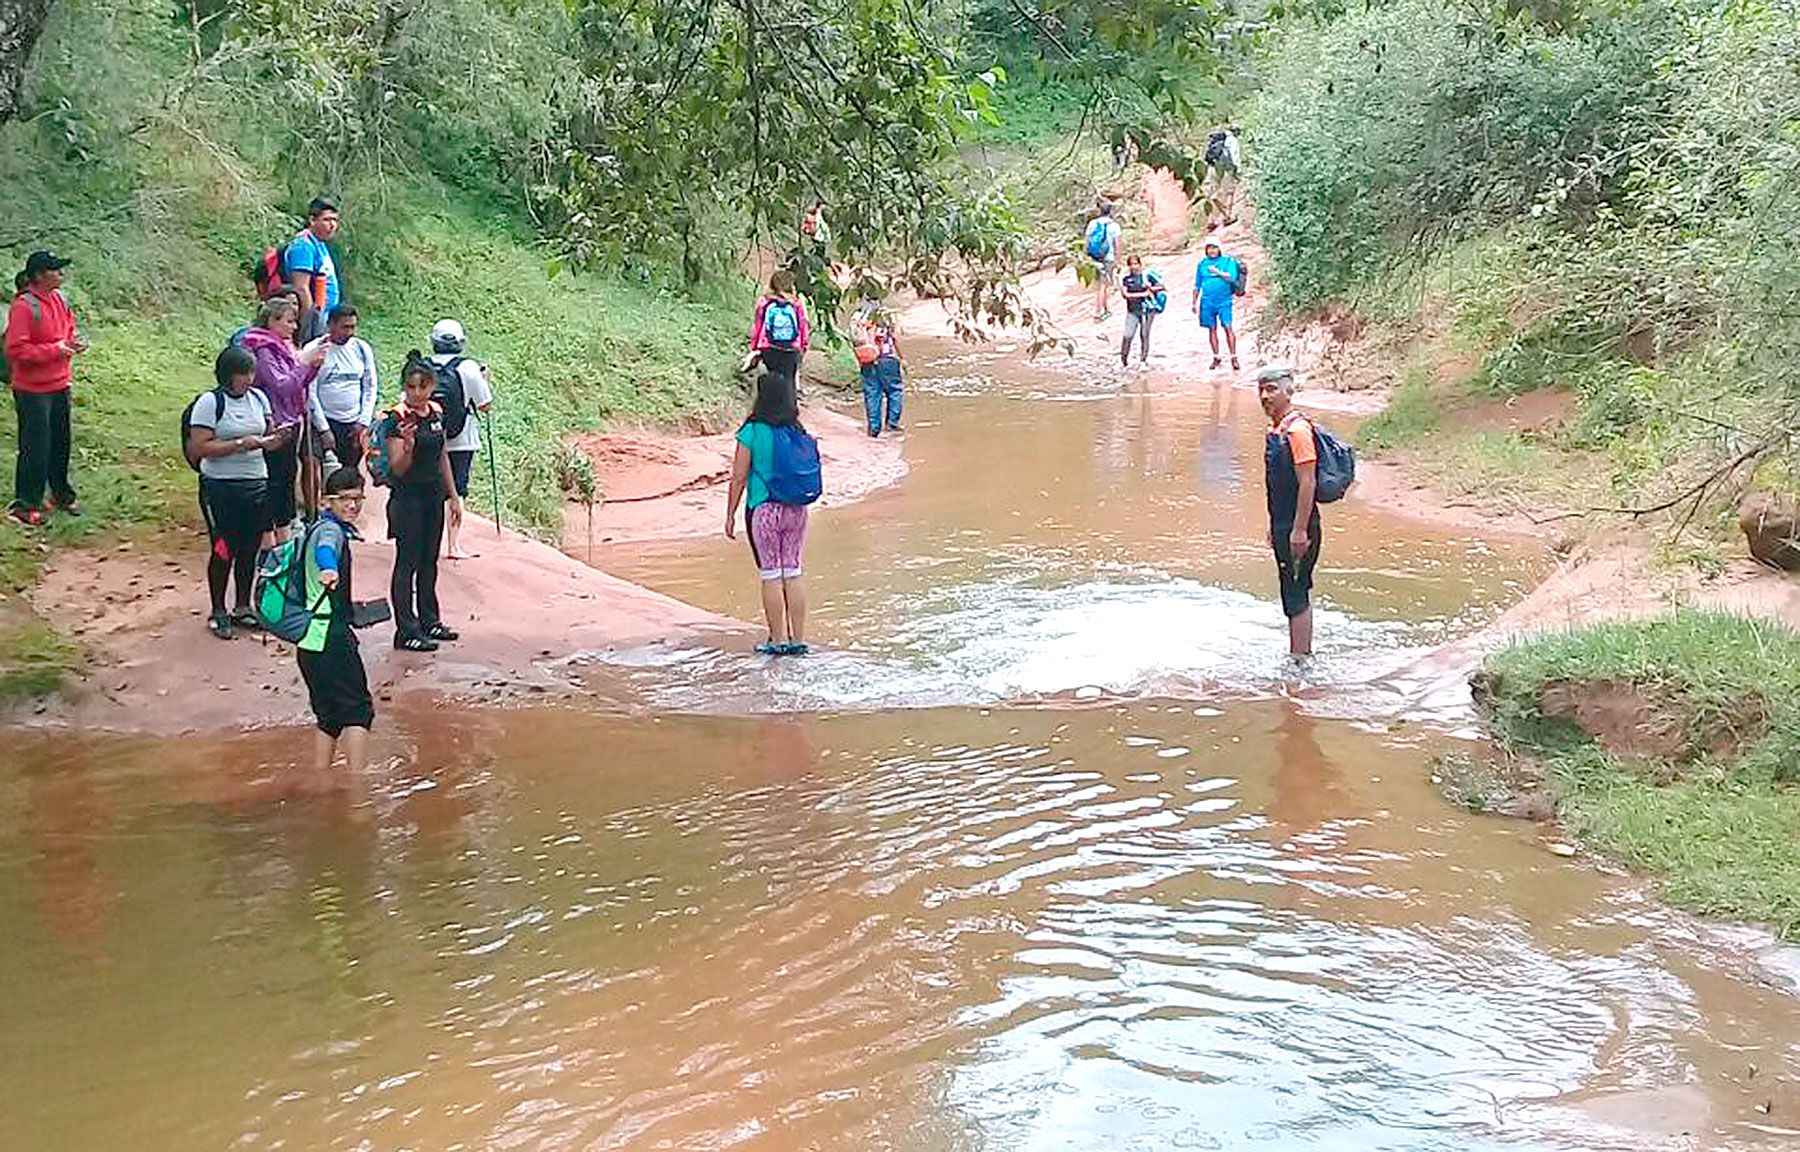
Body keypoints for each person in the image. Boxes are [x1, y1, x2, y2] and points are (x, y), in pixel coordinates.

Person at [187, 345, 293, 639]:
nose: (248, 379)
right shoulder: (210, 403)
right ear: (227, 375)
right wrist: (238, 445)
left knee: (249, 546)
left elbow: (267, 435)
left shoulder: (258, 399)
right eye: (242, 373)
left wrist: (276, 439)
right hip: (220, 486)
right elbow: (199, 446)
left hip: (255, 482)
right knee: (223, 546)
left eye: (251, 372)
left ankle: (243, 605)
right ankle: (218, 608)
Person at [724, 372, 811, 655]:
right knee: (793, 571)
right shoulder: (797, 429)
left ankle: (777, 640)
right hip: (797, 509)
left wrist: (730, 514)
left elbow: (738, 477)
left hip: (764, 510)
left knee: (772, 574)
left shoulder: (751, 431)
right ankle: (798, 640)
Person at [298, 465, 374, 774]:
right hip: (331, 636)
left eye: (357, 499)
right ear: (327, 501)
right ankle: (358, 790)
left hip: (308, 638)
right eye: (344, 499)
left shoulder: (313, 527)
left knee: (328, 716)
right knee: (358, 711)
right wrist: (329, 568)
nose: (352, 506)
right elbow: (326, 552)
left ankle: (322, 782)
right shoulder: (330, 531)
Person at [383, 353, 462, 652]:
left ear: (432, 386)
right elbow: (397, 468)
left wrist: (453, 496)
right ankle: (406, 629)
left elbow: (442, 455)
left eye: (422, 386)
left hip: (433, 496)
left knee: (429, 560)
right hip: (407, 498)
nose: (416, 393)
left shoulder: (436, 413)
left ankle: (430, 620)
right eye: (411, 387)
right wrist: (409, 445)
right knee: (408, 562)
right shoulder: (397, 419)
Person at [6, 251, 85, 526]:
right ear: (39, 275)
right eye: (54, 270)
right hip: (32, 389)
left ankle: (61, 494)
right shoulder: (24, 307)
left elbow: (68, 328)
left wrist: (72, 342)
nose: (60, 274)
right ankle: (25, 504)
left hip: (60, 383)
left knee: (60, 443)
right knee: (35, 447)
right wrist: (56, 350)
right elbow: (16, 349)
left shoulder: (59, 299)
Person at [240, 294, 325, 535]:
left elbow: (299, 384)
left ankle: (283, 527)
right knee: (276, 480)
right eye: (289, 321)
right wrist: (304, 365)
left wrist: (312, 367)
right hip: (275, 423)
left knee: (288, 476)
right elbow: (282, 386)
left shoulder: (282, 347)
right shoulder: (264, 350)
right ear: (272, 322)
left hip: (291, 418)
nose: (294, 326)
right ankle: (273, 531)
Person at [1258, 365, 1321, 660]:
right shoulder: (1276, 430)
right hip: (1284, 523)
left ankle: (1300, 661)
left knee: (1296, 592)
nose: (1265, 396)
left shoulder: (1297, 431)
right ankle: (1299, 656)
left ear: (1289, 391)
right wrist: (1275, 526)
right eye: (1261, 389)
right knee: (1291, 590)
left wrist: (1299, 530)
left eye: (1271, 389)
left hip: (1299, 526)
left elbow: (1308, 481)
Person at [427, 318, 494, 560]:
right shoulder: (468, 368)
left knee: (431, 488)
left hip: (428, 438)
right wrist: (484, 380)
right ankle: (453, 546)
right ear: (460, 342)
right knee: (458, 489)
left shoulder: (422, 366)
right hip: (461, 439)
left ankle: (428, 543)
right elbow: (485, 405)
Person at [304, 304, 378, 474]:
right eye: (345, 327)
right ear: (330, 324)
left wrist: (363, 421)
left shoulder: (361, 348)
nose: (350, 332)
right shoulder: (315, 349)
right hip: (323, 419)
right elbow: (310, 392)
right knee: (312, 465)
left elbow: (370, 386)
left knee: (349, 472)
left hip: (353, 422)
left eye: (353, 327)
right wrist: (323, 429)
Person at [286, 197, 342, 344]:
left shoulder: (319, 244)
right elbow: (301, 287)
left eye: (335, 220)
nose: (332, 225)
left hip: (326, 317)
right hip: (314, 321)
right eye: (327, 220)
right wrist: (309, 324)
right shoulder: (303, 246)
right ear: (312, 220)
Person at [747, 270, 810, 384]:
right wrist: (803, 346)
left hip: (768, 347)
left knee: (770, 379)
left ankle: (768, 399)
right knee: (789, 382)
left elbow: (758, 326)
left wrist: (755, 347)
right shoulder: (796, 303)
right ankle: (789, 400)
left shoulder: (764, 301)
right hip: (792, 348)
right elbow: (803, 326)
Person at [851, 302, 904, 437]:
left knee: (872, 394)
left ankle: (874, 428)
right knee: (895, 390)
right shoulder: (885, 316)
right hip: (887, 359)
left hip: (867, 359)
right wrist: (902, 358)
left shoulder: (858, 317)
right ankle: (892, 423)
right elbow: (895, 337)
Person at [1193, 236, 1241, 372]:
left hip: (1224, 300)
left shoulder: (1228, 261)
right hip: (1207, 301)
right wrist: (1193, 302)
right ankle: (1216, 356)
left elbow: (1231, 277)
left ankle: (1234, 357)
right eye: (1209, 248)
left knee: (1227, 326)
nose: (1212, 250)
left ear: (1219, 248)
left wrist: (1217, 272)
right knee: (1211, 328)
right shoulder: (1202, 264)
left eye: (1214, 247)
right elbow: (1197, 284)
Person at [1118, 255, 1162, 367]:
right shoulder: (1126, 279)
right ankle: (1123, 360)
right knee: (1128, 335)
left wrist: (1151, 288)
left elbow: (1161, 286)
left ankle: (1143, 360)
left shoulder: (1147, 276)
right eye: (1131, 264)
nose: (1134, 267)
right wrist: (1143, 294)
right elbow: (1125, 294)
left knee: (1144, 335)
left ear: (1140, 264)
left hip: (1147, 310)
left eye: (1136, 264)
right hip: (1132, 310)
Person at [1086, 201, 1122, 322]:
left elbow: (1087, 242)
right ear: (1110, 211)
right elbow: (1117, 245)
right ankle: (1098, 312)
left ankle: (1106, 309)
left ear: (1099, 211)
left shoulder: (1092, 224)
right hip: (1108, 258)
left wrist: (1087, 257)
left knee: (1102, 284)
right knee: (1103, 285)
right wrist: (1118, 261)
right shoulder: (1114, 226)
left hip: (1095, 258)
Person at [1203, 125, 1243, 227]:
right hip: (1227, 166)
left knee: (1213, 189)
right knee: (1228, 191)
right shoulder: (1233, 140)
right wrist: (1238, 169)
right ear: (1236, 132)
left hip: (1214, 164)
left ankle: (1211, 220)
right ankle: (1227, 217)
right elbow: (1234, 155)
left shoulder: (1218, 139)